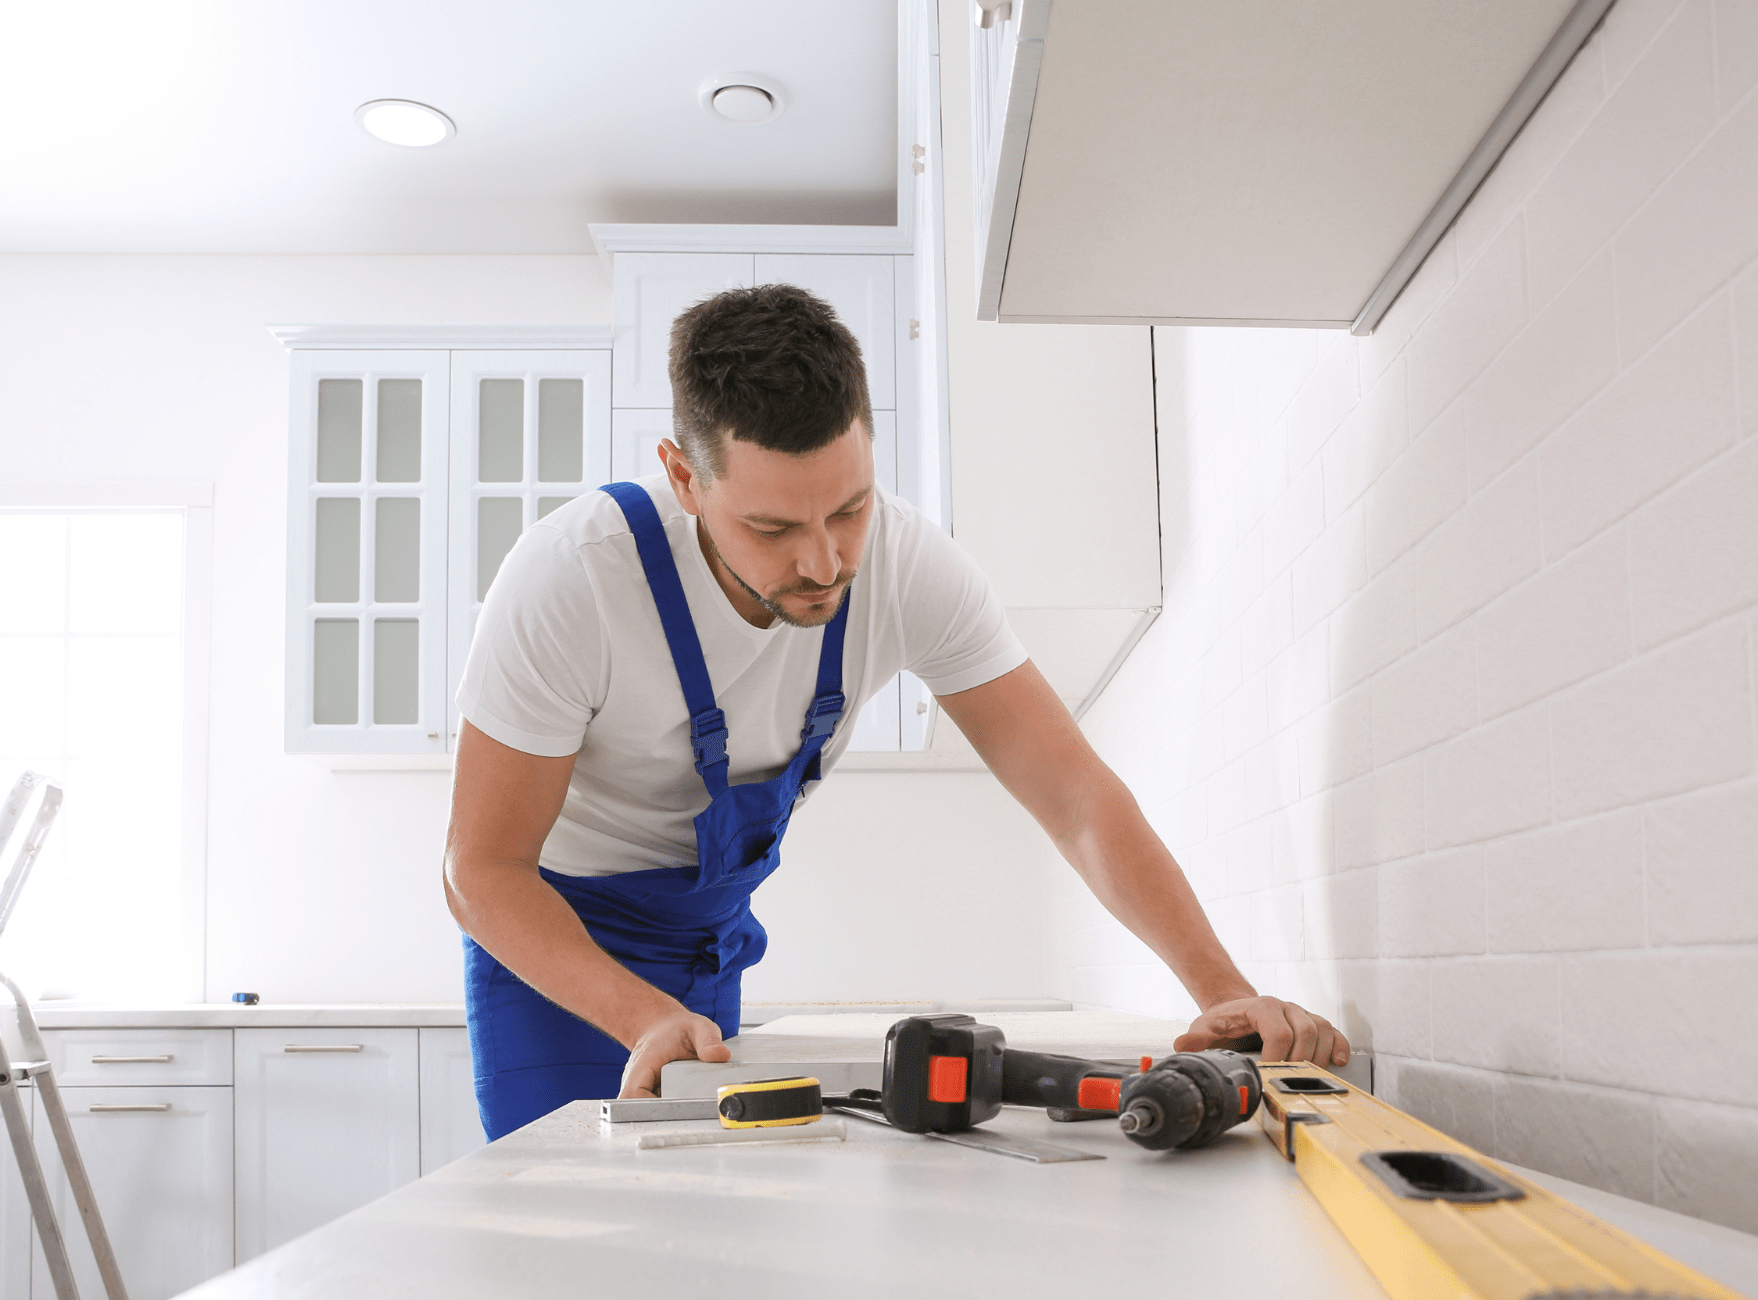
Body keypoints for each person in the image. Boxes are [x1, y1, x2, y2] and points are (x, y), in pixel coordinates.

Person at [443, 284, 1348, 1139]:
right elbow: (481, 872)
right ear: (684, 479)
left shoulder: (913, 570)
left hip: (706, 946)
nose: (826, 561)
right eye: (772, 529)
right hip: (552, 943)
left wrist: (1222, 990)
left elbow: (1075, 799)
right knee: (564, 1237)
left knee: (698, 1232)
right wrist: (637, 1012)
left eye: (850, 507)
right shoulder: (571, 581)